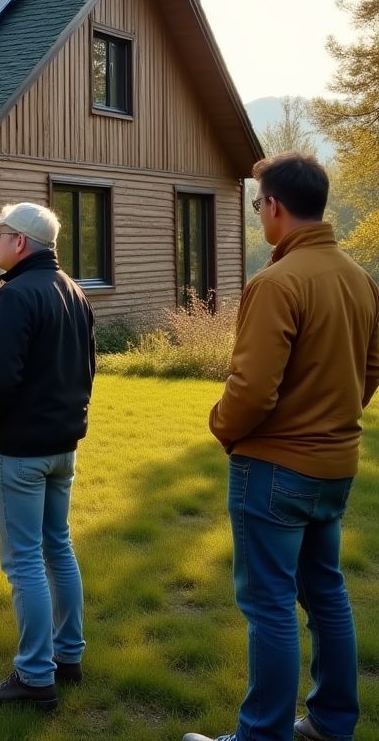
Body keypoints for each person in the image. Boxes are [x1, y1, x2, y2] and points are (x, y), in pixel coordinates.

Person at [183, 152, 379, 741]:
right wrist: (333, 414)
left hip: (272, 469)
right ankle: (330, 724)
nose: (256, 215)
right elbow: (373, 365)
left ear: (273, 206)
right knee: (326, 593)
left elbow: (251, 390)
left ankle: (262, 736)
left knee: (268, 604)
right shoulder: (360, 278)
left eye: (256, 205)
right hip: (335, 465)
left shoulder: (275, 282)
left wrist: (223, 426)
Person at [0, 201, 95, 710]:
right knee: (57, 548)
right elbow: (88, 370)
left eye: (0, 235)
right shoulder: (75, 291)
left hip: (19, 451)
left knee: (24, 563)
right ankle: (69, 657)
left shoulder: (17, 295)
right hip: (63, 447)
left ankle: (36, 675)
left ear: (21, 243)